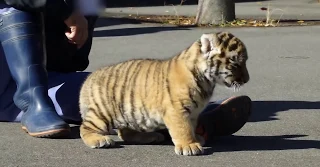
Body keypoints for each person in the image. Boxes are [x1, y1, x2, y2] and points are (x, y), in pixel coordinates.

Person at [0, 0, 252, 143]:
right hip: (12, 85)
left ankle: (190, 117)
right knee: (15, 7)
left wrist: (72, 18)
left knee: (115, 91)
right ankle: (33, 104)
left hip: (44, 78)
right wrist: (65, 11)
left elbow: (74, 60)